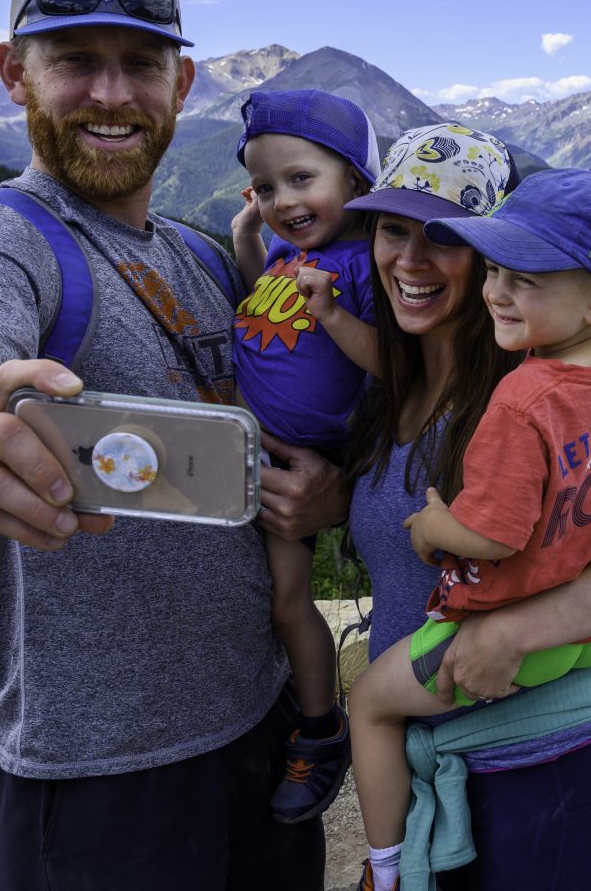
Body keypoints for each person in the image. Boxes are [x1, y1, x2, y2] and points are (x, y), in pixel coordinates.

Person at [0, 0, 341, 890]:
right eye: (76, 60)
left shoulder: (206, 259)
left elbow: (268, 432)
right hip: (94, 773)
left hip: (258, 726)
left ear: (183, 82)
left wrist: (317, 494)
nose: (113, 94)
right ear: (15, 75)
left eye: (141, 64)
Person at [314, 124, 591, 890]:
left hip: (551, 760)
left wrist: (518, 629)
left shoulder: (547, 393)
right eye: (392, 230)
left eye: (445, 238)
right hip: (454, 763)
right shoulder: (391, 381)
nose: (410, 259)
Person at [229, 87, 385, 822]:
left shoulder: (359, 264)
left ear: (355, 180)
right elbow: (270, 298)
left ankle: (322, 731)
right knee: (275, 601)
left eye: (301, 180)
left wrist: (332, 311)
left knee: (291, 600)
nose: (282, 199)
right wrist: (249, 247)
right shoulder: (294, 248)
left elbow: (393, 363)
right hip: (252, 453)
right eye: (266, 186)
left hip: (308, 465)